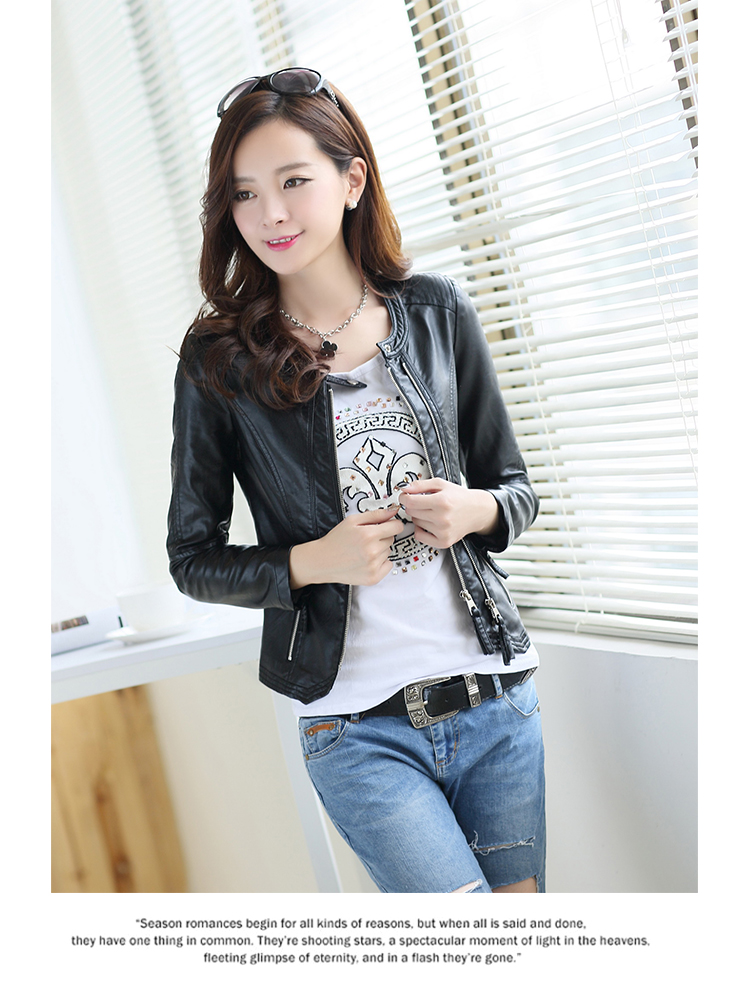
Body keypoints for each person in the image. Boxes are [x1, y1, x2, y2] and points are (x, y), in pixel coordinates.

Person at [167, 68, 545, 894]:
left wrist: (473, 509)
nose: (270, 214)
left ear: (351, 179)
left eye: (293, 181)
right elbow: (191, 558)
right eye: (243, 193)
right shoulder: (219, 360)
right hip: (355, 727)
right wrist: (314, 562)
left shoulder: (438, 312)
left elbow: (515, 489)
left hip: (494, 699)